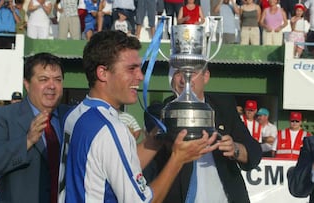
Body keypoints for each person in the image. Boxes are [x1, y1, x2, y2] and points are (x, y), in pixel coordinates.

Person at [59, 30, 218, 202]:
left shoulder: (75, 114)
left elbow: (118, 168)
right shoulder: (111, 129)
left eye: (140, 69)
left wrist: (156, 138)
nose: (140, 76)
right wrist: (178, 159)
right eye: (131, 69)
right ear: (102, 73)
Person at [150, 67, 262, 202]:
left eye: (193, 72)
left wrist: (235, 149)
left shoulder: (223, 106)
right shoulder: (162, 112)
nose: (185, 79)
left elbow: (254, 153)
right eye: (178, 72)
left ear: (206, 76)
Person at [0, 53, 69, 203]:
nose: (52, 85)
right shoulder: (2, 117)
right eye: (43, 79)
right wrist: (27, 141)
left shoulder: (71, 116)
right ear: (27, 84)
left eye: (57, 80)